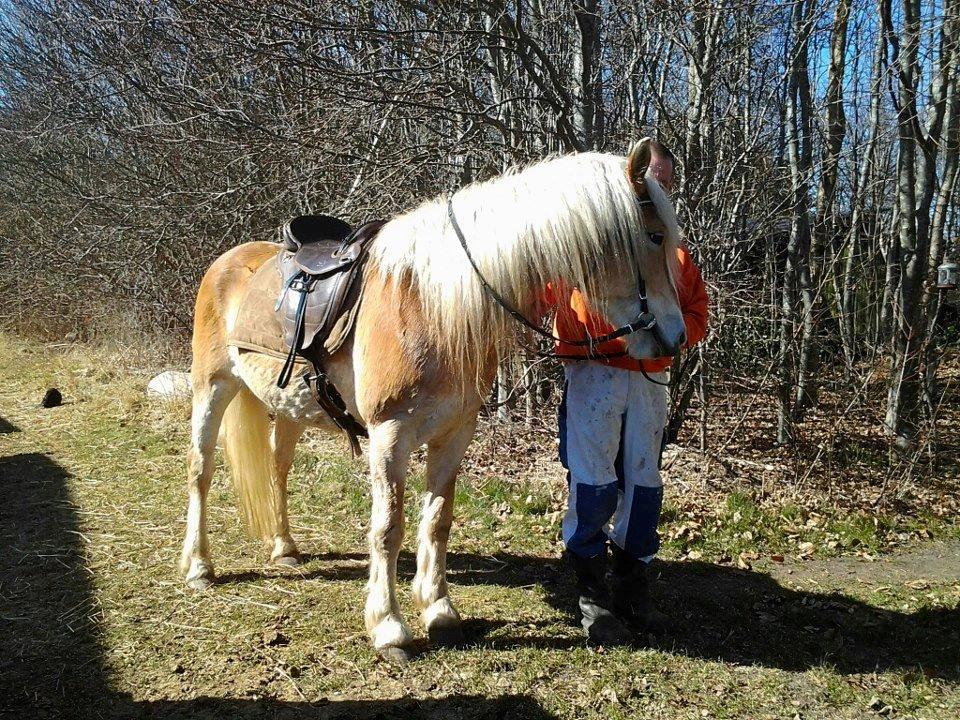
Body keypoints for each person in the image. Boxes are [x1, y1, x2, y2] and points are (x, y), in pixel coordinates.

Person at [547, 147, 708, 645]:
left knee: (644, 485)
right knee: (593, 484)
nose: (655, 188)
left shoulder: (675, 255)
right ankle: (591, 597)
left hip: (650, 381)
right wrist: (623, 335)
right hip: (596, 376)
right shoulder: (586, 250)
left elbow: (695, 313)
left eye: (663, 181)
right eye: (648, 179)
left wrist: (674, 336)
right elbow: (560, 305)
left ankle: (633, 590)